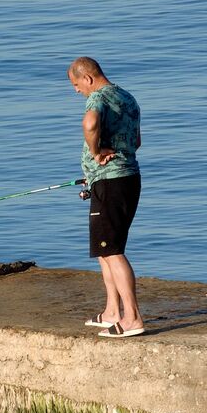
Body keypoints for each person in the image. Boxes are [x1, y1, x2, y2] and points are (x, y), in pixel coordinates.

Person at [68, 56, 145, 338]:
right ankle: (112, 310)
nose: (77, 90)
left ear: (88, 78)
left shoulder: (97, 98)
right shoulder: (127, 97)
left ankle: (132, 318)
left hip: (111, 182)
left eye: (76, 84)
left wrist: (96, 152)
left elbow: (90, 123)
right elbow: (136, 141)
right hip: (127, 178)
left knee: (112, 250)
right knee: (104, 249)